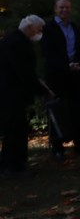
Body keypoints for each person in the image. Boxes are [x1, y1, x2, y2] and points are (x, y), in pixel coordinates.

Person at [0, 16, 51, 178]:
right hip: (10, 92)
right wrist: (42, 89)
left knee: (16, 128)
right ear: (29, 27)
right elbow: (24, 72)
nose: (40, 32)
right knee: (14, 129)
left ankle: (13, 163)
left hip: (11, 92)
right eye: (38, 29)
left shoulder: (13, 41)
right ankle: (13, 166)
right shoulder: (16, 43)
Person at [41, 0, 80, 158]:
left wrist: (79, 64)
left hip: (75, 75)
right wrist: (65, 66)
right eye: (61, 7)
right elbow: (48, 53)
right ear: (55, 9)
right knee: (57, 111)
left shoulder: (75, 27)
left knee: (76, 110)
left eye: (67, 7)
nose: (65, 10)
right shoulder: (48, 28)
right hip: (57, 76)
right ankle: (58, 148)